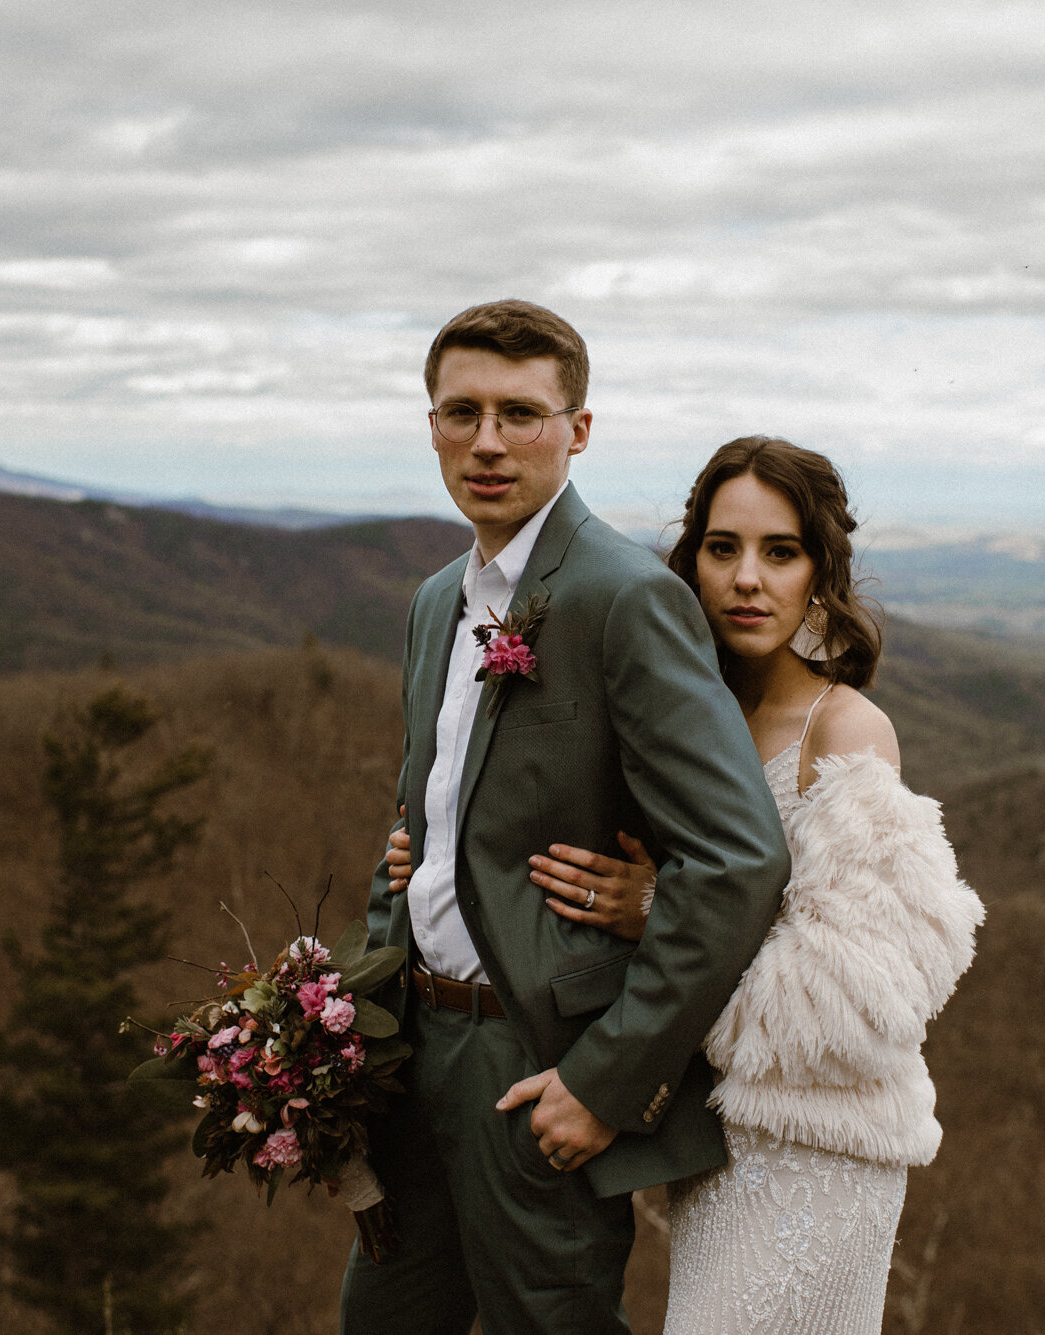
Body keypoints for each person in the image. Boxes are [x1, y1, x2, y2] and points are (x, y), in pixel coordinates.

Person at [388, 436, 983, 1333]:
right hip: (710, 1137)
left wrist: (658, 912)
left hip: (820, 1140)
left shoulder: (845, 728)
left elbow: (859, 993)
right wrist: (438, 858)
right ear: (689, 561)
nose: (748, 578)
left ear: (822, 572)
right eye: (722, 548)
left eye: (780, 552)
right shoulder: (675, 713)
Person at [338, 302, 793, 1335]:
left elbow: (736, 860)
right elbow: (419, 824)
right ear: (431, 425)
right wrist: (360, 1031)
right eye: (461, 412)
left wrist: (605, 1080)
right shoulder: (431, 603)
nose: (487, 442)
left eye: (520, 414)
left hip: (530, 1064)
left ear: (577, 429)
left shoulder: (621, 596)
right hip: (414, 1054)